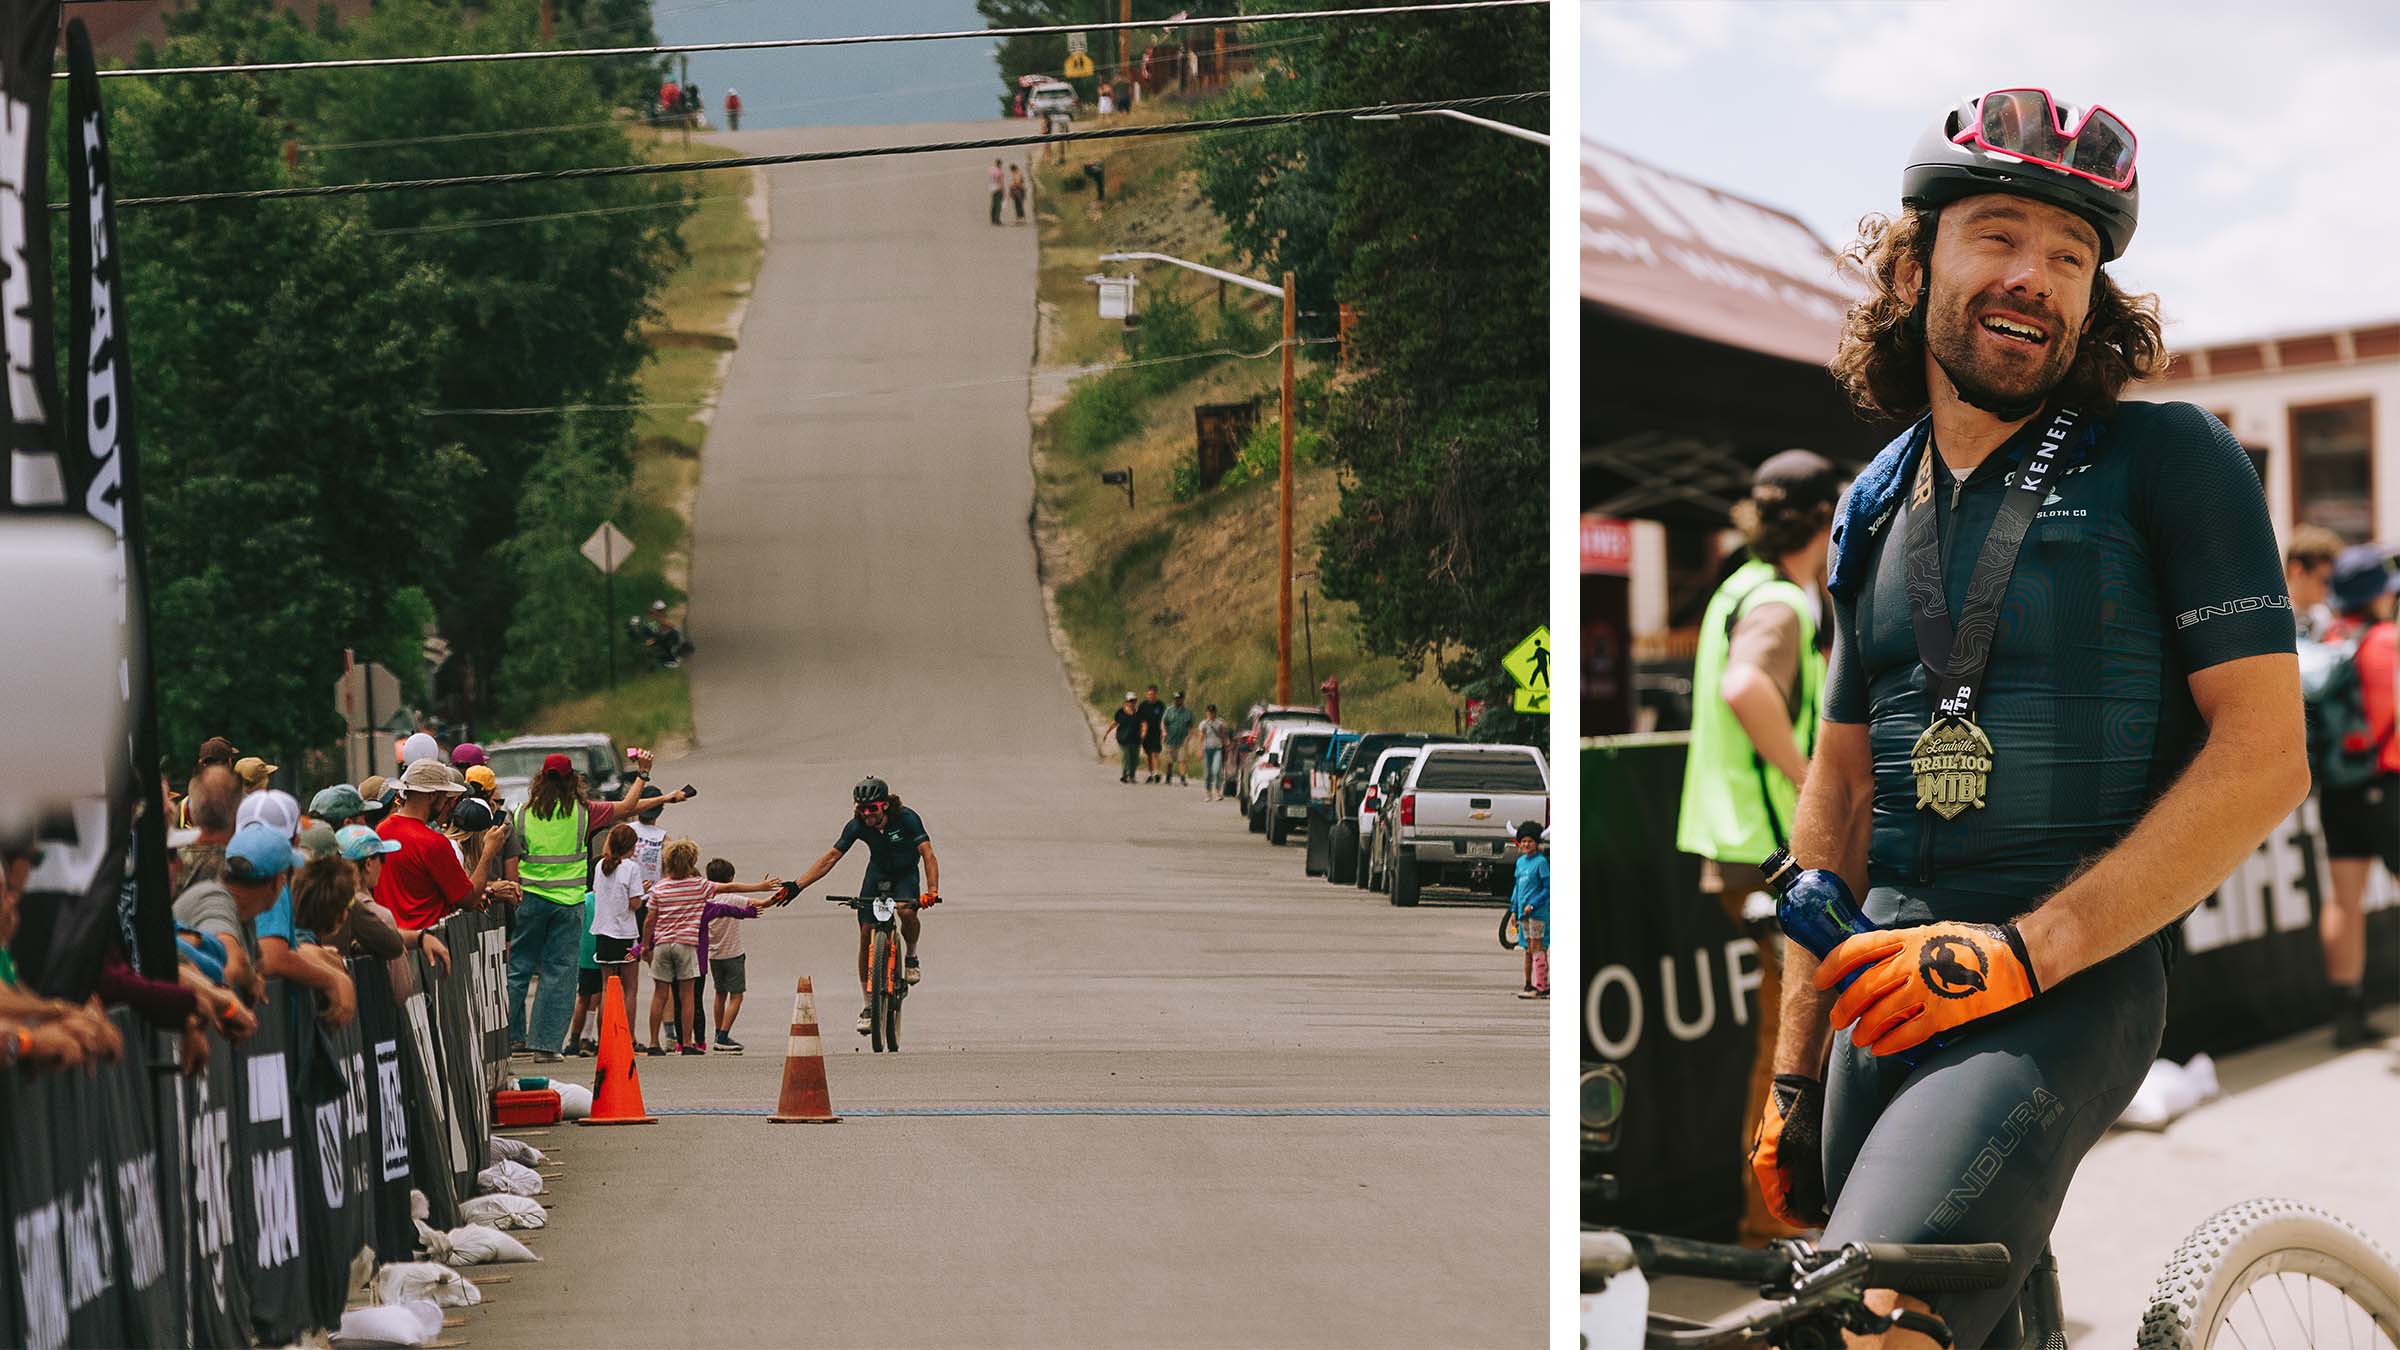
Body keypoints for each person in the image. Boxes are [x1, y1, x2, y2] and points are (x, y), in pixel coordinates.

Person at [1750, 89, 2307, 1347]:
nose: (2037, 278)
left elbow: (2268, 761)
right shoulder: (1873, 504)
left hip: (2063, 991)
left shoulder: (2169, 460)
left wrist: (2024, 952)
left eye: (2071, 255)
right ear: (1915, 259)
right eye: (2000, 235)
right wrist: (1791, 1072)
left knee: (1867, 1323)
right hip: (1873, 996)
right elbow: (1836, 799)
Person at [1674, 447, 1841, 1241]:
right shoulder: (1778, 602)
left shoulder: (1737, 589)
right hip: (1771, 856)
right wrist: (1815, 781)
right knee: (1795, 1047)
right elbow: (1745, 689)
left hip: (1740, 852)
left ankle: (1768, 1219)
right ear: (1825, 521)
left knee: (1784, 1038)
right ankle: (1775, 1225)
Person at [506, 751, 687, 1059]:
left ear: (540, 780)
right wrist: (642, 774)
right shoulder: (584, 812)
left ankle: (511, 1040)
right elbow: (628, 807)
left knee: (519, 969)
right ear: (573, 781)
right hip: (568, 902)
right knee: (558, 972)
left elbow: (513, 858)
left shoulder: (521, 813)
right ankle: (545, 1045)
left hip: (531, 899)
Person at [2311, 546, 2398, 1048]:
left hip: (2338, 788)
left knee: (2343, 902)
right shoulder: (2389, 641)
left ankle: (2348, 1015)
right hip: (2388, 783)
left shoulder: (2325, 639)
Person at [787, 777, 942, 1036]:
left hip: (905, 874)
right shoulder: (857, 825)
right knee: (864, 935)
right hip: (877, 874)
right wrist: (797, 885)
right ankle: (869, 1006)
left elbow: (927, 853)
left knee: (905, 910)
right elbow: (831, 858)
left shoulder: (906, 818)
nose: (867, 814)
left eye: (873, 809)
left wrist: (932, 890)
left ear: (885, 806)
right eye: (862, 809)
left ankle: (911, 955)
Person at [642, 841, 780, 1055]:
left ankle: (653, 1043)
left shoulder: (659, 887)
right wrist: (759, 887)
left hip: (662, 943)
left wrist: (644, 944)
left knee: (660, 994)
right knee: (688, 996)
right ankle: (687, 1044)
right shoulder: (699, 885)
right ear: (691, 863)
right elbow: (730, 889)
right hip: (686, 944)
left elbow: (650, 918)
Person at [375, 758, 516, 932]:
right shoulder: (433, 843)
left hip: (394, 939)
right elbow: (469, 899)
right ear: (432, 795)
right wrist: (488, 851)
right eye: (445, 796)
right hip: (429, 944)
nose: (446, 805)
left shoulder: (381, 831)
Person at [576, 824, 645, 1056]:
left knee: (607, 988)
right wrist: (640, 895)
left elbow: (599, 892)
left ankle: (605, 1036)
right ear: (631, 847)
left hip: (603, 933)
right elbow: (635, 903)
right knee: (630, 989)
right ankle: (627, 1037)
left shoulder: (600, 867)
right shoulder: (631, 868)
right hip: (625, 934)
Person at [702, 857, 757, 1053]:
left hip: (713, 955)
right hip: (733, 954)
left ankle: (718, 1031)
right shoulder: (733, 899)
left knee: (720, 993)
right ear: (731, 879)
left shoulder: (706, 899)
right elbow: (758, 903)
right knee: (736, 995)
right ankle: (724, 1036)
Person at [1509, 823, 1548, 999]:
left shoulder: (1541, 862)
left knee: (1537, 947)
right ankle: (1528, 984)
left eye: (1530, 841)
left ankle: (1542, 987)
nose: (1526, 844)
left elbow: (1548, 888)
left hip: (1537, 913)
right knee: (1526, 949)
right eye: (1523, 841)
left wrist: (1533, 904)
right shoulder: (1520, 862)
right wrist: (1513, 910)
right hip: (1522, 913)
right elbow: (1517, 888)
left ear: (1536, 843)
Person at [1160, 690, 1195, 786]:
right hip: (1170, 739)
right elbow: (1163, 722)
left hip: (1182, 740)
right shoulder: (1169, 710)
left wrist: (1189, 736)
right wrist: (1163, 732)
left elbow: (1190, 726)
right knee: (1169, 761)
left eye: (1178, 699)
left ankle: (1183, 777)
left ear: (1182, 699)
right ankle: (1168, 776)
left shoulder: (1187, 712)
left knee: (1182, 760)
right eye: (1175, 699)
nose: (1176, 701)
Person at [1199, 704, 1232, 798]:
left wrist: (1226, 743)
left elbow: (1223, 735)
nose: (1211, 714)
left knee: (1217, 769)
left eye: (1213, 712)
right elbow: (1201, 738)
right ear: (1206, 713)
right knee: (1207, 771)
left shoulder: (1219, 723)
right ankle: (1208, 791)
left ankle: (1218, 790)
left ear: (1215, 713)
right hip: (1207, 749)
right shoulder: (1203, 724)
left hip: (1217, 748)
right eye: (1209, 712)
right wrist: (1200, 750)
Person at [1111, 693, 1143, 783]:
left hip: (1135, 739)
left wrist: (1143, 733)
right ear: (1126, 701)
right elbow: (1114, 722)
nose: (1132, 703)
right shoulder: (1121, 712)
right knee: (1126, 757)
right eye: (1130, 701)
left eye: (1133, 701)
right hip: (1123, 739)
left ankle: (1131, 776)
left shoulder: (1139, 713)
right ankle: (1126, 774)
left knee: (1135, 759)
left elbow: (1143, 724)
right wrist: (1107, 733)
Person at [1138, 685, 1167, 782]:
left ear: (1156, 694)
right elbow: (1139, 719)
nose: (1151, 696)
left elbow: (1164, 719)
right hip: (1146, 733)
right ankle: (1150, 774)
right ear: (1147, 694)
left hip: (1156, 732)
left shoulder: (1160, 705)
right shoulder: (1143, 705)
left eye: (1153, 694)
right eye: (1150, 694)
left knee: (1155, 753)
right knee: (1148, 754)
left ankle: (1156, 772)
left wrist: (1164, 731)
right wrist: (1141, 732)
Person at [989, 158, 1005, 225]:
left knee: (993, 204)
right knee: (998, 205)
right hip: (998, 189)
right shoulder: (999, 172)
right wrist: (1003, 191)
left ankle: (992, 219)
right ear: (1000, 164)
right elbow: (1000, 181)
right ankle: (997, 219)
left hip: (992, 189)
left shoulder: (992, 170)